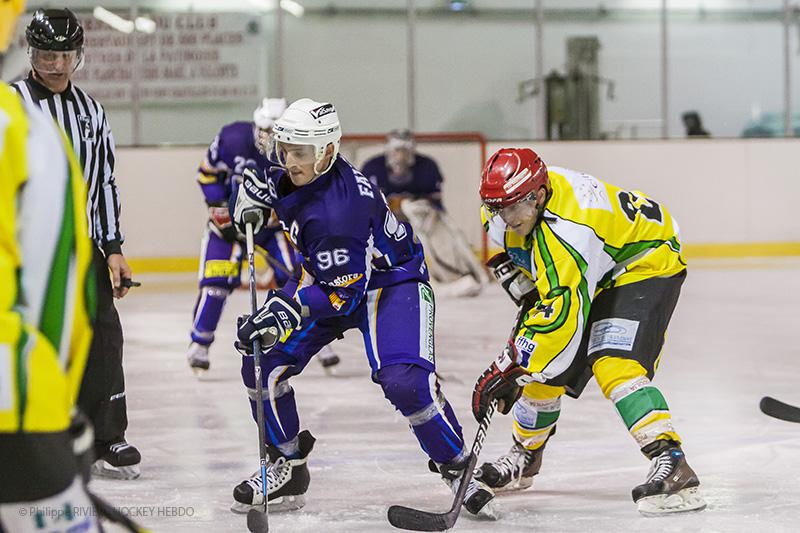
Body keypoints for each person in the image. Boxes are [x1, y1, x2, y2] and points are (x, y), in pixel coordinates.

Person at [229, 99, 496, 517]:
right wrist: (246, 193)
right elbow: (265, 175)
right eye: (286, 150)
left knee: (405, 382)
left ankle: (458, 466)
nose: (290, 161)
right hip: (330, 274)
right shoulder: (302, 169)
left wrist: (287, 309)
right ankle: (288, 465)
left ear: (328, 152)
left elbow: (342, 296)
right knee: (263, 360)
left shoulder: (339, 211)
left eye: (300, 153)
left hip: (390, 281)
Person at [470, 148, 706, 516]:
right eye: (498, 209)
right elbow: (534, 267)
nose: (506, 218)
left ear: (539, 195)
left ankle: (672, 461)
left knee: (613, 363)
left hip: (642, 262)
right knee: (542, 370)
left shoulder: (571, 230)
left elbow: (562, 320)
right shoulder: (503, 208)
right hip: (596, 263)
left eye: (514, 209)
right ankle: (525, 455)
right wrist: (522, 280)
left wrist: (508, 366)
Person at [11, 8, 140, 479]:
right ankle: (29, 435)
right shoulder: (9, 106)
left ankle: (107, 437)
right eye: (48, 55)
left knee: (103, 336)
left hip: (79, 246)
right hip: (19, 249)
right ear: (31, 54)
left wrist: (113, 248)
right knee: (29, 338)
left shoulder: (91, 112)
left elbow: (102, 183)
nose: (57, 65)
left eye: (66, 55)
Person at [0, 1, 99, 529]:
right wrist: (55, 407)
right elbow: (55, 304)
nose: (56, 64)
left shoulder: (84, 114)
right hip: (15, 413)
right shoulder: (27, 133)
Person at [188, 97, 340, 374]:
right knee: (215, 283)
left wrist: (280, 215)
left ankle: (318, 341)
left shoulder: (297, 152)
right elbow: (207, 173)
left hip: (273, 229)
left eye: (274, 132)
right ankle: (200, 343)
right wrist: (218, 205)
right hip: (228, 229)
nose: (267, 137)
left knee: (297, 281)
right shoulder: (232, 138)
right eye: (264, 130)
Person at [362, 129, 487, 297]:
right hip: (384, 224)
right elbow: (364, 207)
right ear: (388, 150)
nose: (400, 155)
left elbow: (436, 206)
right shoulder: (372, 168)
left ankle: (457, 272)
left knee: (449, 232)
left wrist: (408, 207)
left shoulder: (427, 167)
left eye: (405, 150)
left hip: (420, 222)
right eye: (397, 150)